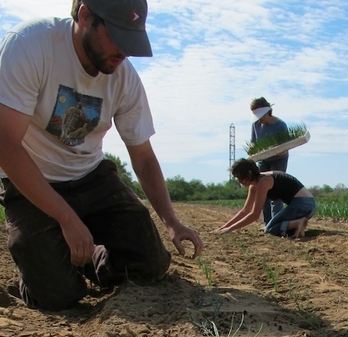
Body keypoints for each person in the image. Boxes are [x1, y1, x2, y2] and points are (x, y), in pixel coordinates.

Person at [0, 1, 203, 311]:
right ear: (85, 15)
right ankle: (42, 269)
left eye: (131, 41)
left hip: (91, 176)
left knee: (149, 263)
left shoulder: (124, 77)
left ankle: (85, 258)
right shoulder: (30, 46)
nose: (124, 52)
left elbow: (143, 156)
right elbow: (6, 145)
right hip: (32, 178)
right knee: (58, 297)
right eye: (118, 37)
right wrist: (66, 217)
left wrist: (172, 221)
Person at [214, 158, 315, 240]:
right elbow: (245, 211)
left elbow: (254, 215)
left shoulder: (264, 181)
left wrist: (229, 229)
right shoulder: (254, 185)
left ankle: (298, 222)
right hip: (303, 205)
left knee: (270, 229)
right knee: (275, 227)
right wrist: (223, 227)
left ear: (249, 174)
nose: (239, 182)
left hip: (303, 204)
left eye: (240, 177)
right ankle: (296, 226)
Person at [249, 97, 289, 224]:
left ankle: (276, 223)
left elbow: (285, 146)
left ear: (268, 112)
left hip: (279, 160)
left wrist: (282, 150)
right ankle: (267, 223)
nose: (260, 119)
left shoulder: (280, 125)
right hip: (263, 160)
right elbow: (253, 143)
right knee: (263, 191)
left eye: (261, 115)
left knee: (276, 192)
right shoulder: (255, 125)